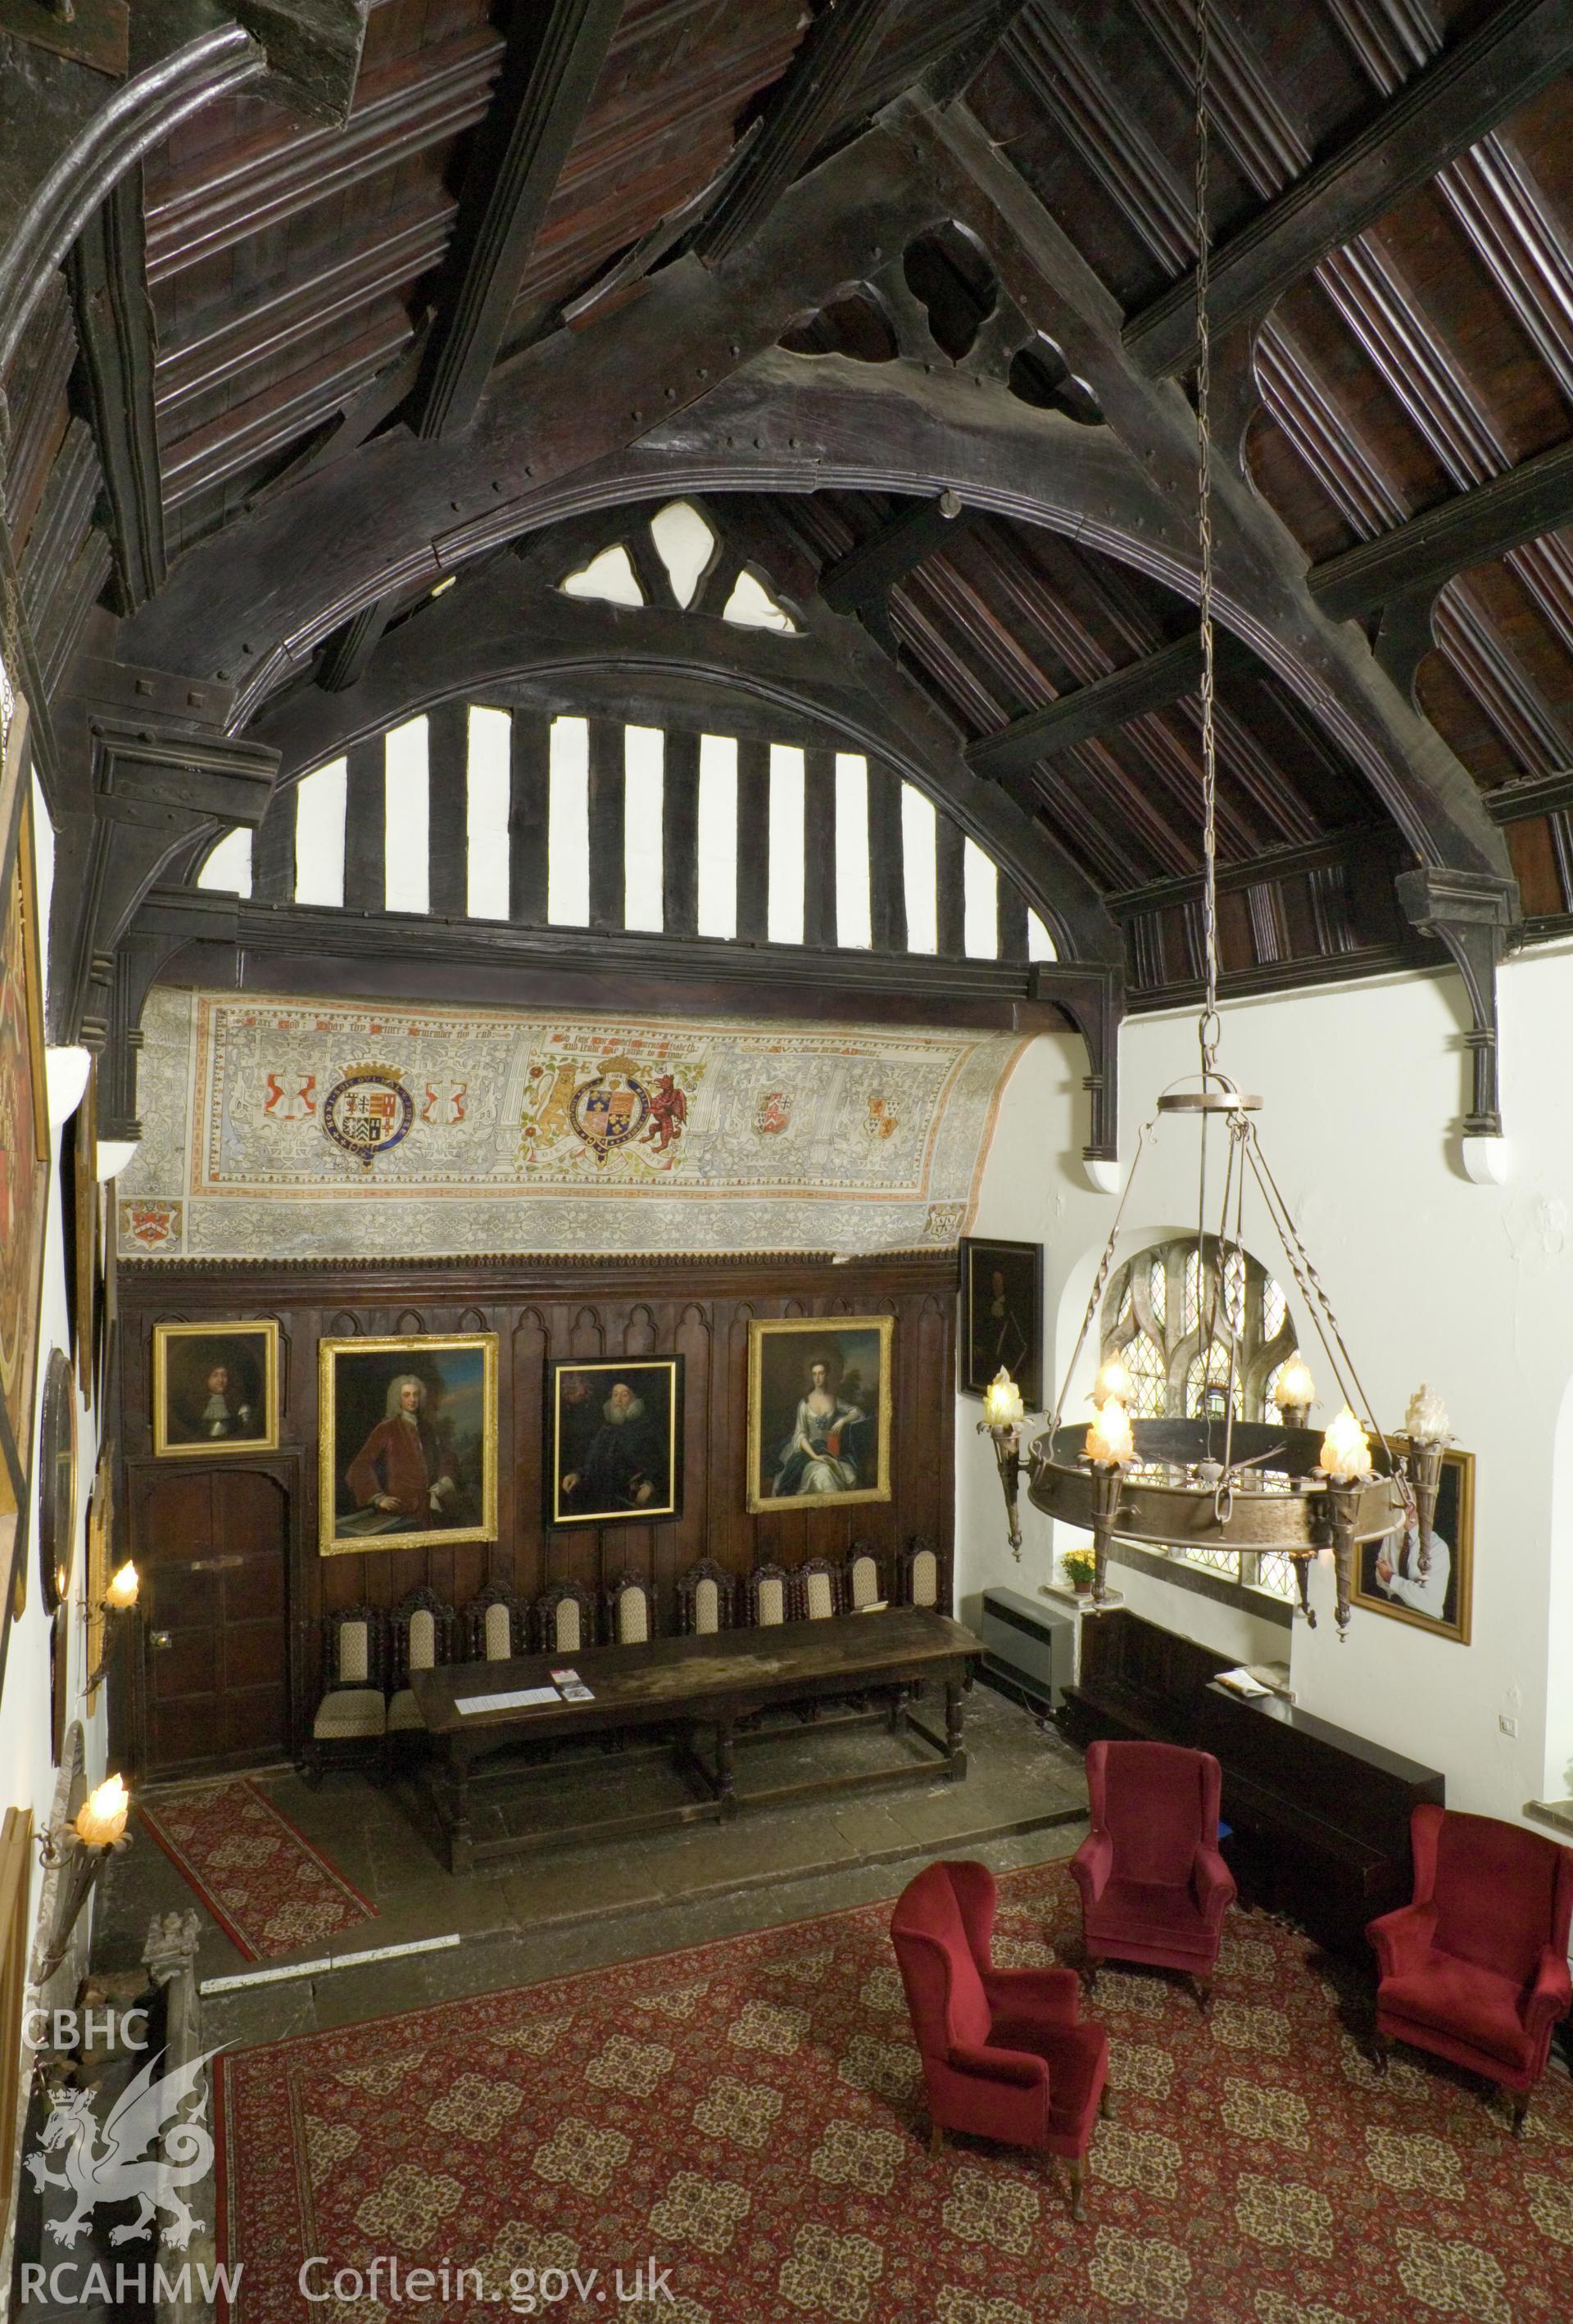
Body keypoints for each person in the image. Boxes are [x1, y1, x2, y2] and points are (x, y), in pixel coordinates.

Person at [344, 1374, 460, 1530]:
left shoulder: (427, 1428)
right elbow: (360, 1466)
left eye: (416, 1394)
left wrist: (444, 1483)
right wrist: (378, 1498)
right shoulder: (386, 1428)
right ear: (398, 1399)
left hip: (427, 1509)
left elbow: (446, 1457)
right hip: (398, 1511)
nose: (412, 1399)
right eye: (406, 1395)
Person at [561, 1381, 666, 1515]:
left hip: (628, 1502)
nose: (618, 1400)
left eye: (624, 1395)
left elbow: (662, 1465)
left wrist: (651, 1485)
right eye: (615, 1395)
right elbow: (592, 1464)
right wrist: (577, 1474)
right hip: (602, 1499)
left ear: (634, 1400)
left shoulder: (646, 1429)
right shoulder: (606, 1430)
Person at [772, 1357, 866, 1497]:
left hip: (827, 1448)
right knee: (824, 1474)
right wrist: (815, 1456)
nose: (817, 1377)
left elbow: (857, 1412)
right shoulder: (805, 1402)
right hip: (807, 1450)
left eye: (821, 1373)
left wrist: (842, 1421)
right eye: (814, 1374)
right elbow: (800, 1434)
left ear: (827, 1375)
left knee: (850, 1475)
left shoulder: (833, 1399)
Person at [1372, 1519, 1453, 1625]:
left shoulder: (1437, 1547)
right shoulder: (1392, 1534)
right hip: (1392, 1613)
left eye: (1412, 1502)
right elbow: (1380, 1579)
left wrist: (1390, 1577)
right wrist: (1414, 1592)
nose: (1408, 1505)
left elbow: (1430, 1602)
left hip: (1426, 1622)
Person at [189, 1359, 259, 1441]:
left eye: (224, 1375)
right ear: (206, 1378)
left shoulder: (241, 1407)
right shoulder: (195, 1404)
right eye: (215, 1375)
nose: (221, 1380)